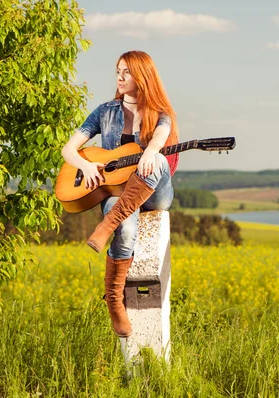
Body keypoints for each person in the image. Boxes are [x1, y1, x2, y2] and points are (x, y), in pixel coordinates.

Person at [61, 50, 179, 338]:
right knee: (125, 231)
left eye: (127, 71)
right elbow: (67, 149)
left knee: (159, 160)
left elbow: (161, 138)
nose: (120, 76)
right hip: (118, 191)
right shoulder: (104, 111)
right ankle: (114, 300)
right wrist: (86, 165)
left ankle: (106, 224)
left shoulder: (161, 114)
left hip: (153, 192)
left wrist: (150, 151)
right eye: (118, 71)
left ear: (143, 75)